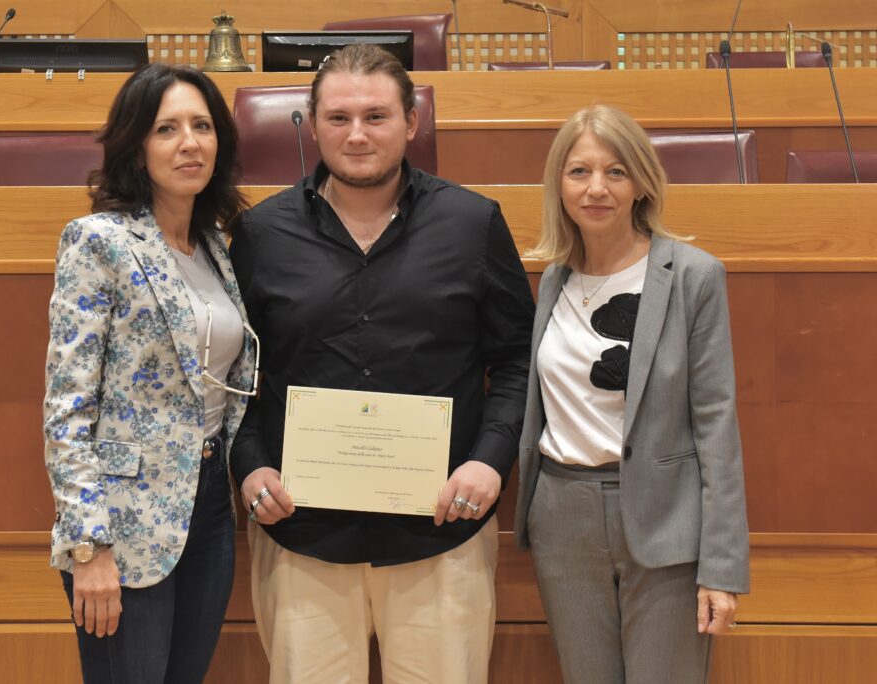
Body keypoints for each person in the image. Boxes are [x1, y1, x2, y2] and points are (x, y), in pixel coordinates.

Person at [228, 43, 535, 683]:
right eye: (338, 118)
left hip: (439, 532)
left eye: (376, 116)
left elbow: (515, 360)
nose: (357, 134)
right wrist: (251, 463)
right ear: (312, 125)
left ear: (411, 123)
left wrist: (490, 459)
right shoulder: (262, 233)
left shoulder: (472, 223)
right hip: (301, 534)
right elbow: (238, 373)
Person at [513, 104, 750, 683]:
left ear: (642, 181)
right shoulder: (555, 279)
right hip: (562, 515)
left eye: (616, 172)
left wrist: (721, 567)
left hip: (664, 516)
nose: (597, 188)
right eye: (579, 172)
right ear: (559, 184)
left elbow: (716, 422)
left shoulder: (693, 275)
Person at [42, 63, 257, 683]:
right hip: (121, 518)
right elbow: (67, 407)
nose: (190, 143)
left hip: (209, 500)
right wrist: (89, 548)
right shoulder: (99, 241)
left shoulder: (216, 245)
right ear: (137, 146)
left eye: (202, 126)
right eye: (167, 129)